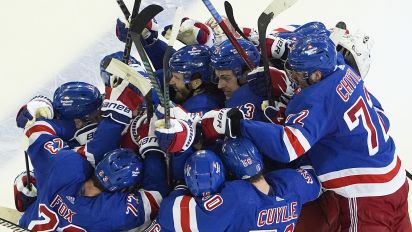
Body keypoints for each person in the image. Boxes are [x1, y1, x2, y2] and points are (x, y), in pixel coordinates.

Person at [204, 32, 411, 231]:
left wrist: (240, 124)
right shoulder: (344, 70)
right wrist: (287, 72)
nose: (293, 79)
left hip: (368, 196)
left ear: (316, 74)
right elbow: (380, 116)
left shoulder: (318, 98)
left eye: (297, 74)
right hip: (395, 179)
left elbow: (288, 146)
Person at [18, 79, 167, 231]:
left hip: (26, 226)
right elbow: (155, 198)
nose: (99, 115)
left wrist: (47, 110)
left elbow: (35, 130)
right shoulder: (108, 211)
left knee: (24, 187)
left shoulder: (66, 165)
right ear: (121, 191)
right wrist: (152, 149)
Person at [147, 137, 320, 231]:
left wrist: (181, 188)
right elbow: (315, 178)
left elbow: (173, 215)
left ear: (229, 173)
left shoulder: (238, 197)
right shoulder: (292, 187)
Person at [168, 44, 224, 115]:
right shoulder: (211, 96)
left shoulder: (197, 108)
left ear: (196, 83)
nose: (171, 82)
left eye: (177, 78)